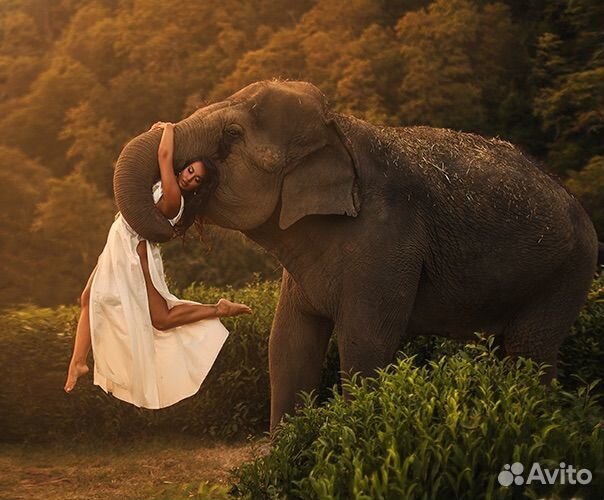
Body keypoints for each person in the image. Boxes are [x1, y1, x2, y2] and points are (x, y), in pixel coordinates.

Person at [63, 121, 252, 409]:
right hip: (121, 243)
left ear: (198, 186)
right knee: (89, 297)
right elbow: (157, 163)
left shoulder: (174, 195)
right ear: (184, 167)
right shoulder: (168, 186)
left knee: (160, 319)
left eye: (197, 179)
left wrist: (168, 128)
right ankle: (78, 362)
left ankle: (218, 309)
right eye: (190, 171)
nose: (190, 179)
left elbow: (164, 157)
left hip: (133, 252)